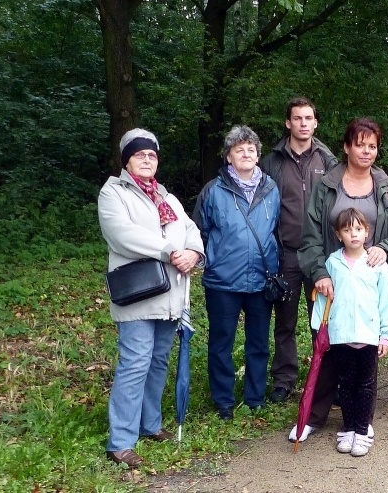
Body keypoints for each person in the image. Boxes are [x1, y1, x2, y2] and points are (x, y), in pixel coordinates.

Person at [293, 117, 388, 442]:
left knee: (364, 356)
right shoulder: (327, 186)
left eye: (372, 145)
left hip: (368, 285)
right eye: (360, 144)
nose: (366, 151)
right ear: (346, 147)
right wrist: (319, 272)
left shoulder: (387, 187)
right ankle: (313, 417)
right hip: (331, 284)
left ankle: (361, 420)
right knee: (327, 349)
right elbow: (309, 237)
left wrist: (386, 248)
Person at [98, 129, 204, 468]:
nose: (147, 159)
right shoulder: (113, 193)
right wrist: (170, 250)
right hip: (137, 294)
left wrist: (193, 253)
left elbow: (190, 229)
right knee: (135, 362)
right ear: (126, 159)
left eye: (152, 155)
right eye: (140, 154)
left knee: (158, 361)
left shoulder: (166, 197)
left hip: (169, 295)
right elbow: (122, 235)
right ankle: (121, 442)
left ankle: (150, 424)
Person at [193, 125, 281, 420]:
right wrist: (213, 260)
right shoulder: (212, 191)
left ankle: (255, 398)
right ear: (228, 156)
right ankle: (224, 402)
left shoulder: (271, 188)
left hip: (261, 279)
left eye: (251, 149)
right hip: (222, 281)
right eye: (239, 149)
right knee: (221, 342)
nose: (246, 154)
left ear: (258, 155)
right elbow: (199, 232)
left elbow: (277, 230)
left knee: (258, 342)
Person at [260, 97, 338, 404]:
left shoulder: (329, 161)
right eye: (298, 118)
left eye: (309, 118)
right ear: (288, 123)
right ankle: (284, 380)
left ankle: (326, 381)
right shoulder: (271, 162)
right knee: (285, 322)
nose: (303, 123)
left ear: (315, 123)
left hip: (320, 254)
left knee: (323, 320)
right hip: (287, 253)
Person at [311, 208, 388, 457]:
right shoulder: (332, 263)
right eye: (347, 230)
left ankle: (362, 430)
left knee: (365, 385)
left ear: (367, 231)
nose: (353, 235)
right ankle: (348, 427)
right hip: (341, 335)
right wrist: (321, 332)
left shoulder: (376, 264)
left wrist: (385, 334)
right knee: (346, 384)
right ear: (339, 235)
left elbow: (385, 301)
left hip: (368, 335)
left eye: (358, 229)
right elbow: (322, 301)